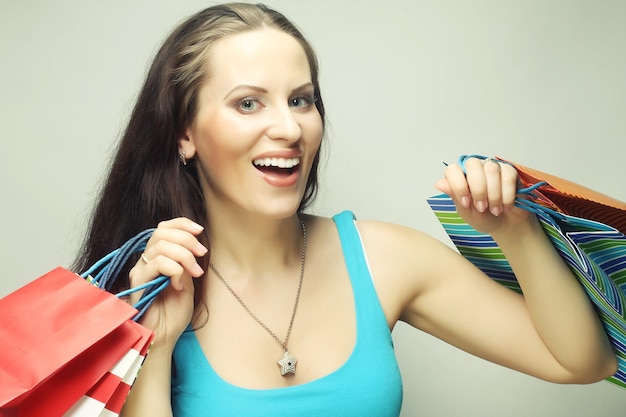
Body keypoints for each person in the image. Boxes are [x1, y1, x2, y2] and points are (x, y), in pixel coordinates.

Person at [73, 3, 617, 416]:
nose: (289, 128)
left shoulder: (383, 258)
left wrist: (515, 230)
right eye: (248, 102)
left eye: (300, 99)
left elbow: (580, 361)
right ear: (184, 133)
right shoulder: (136, 288)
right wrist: (156, 344)